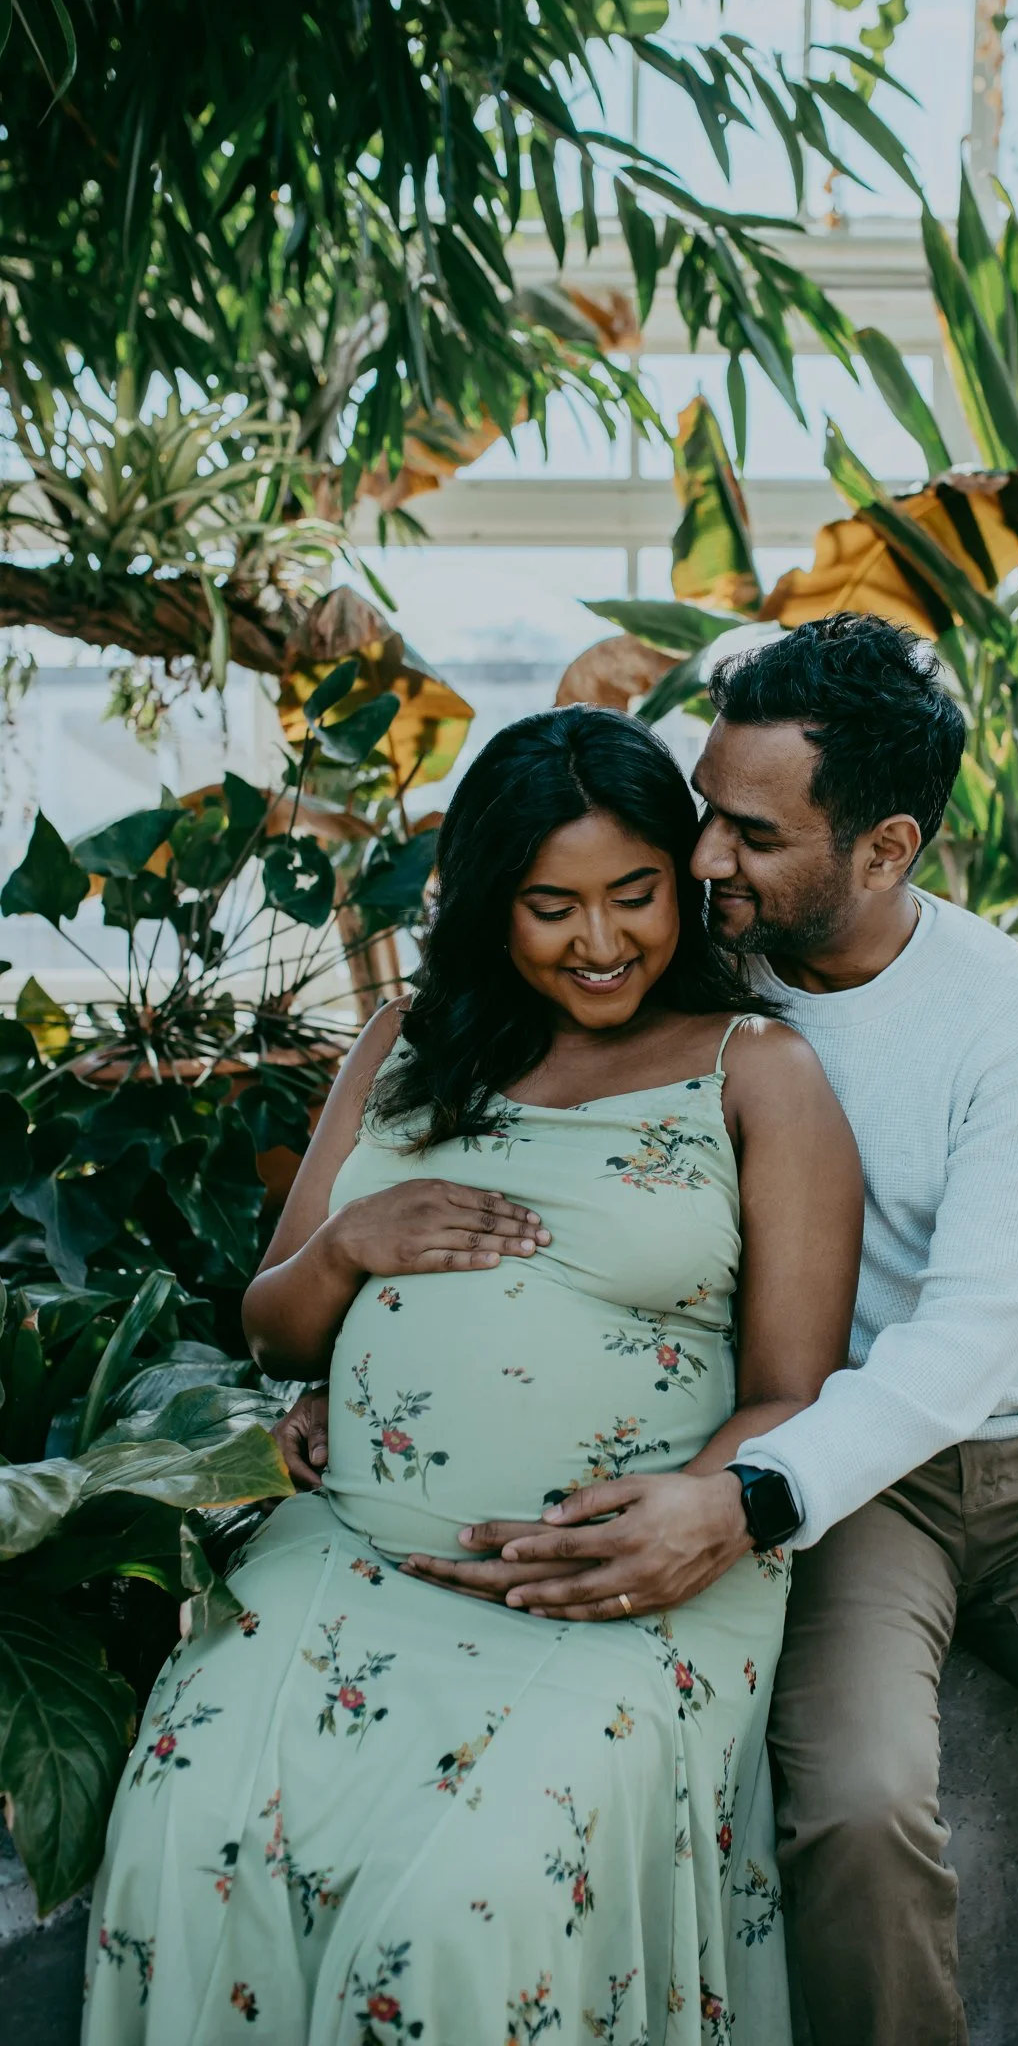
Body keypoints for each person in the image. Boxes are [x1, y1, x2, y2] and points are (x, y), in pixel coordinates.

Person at [281, 613, 1018, 2046]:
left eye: (749, 832)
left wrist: (740, 1500)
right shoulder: (683, 965)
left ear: (885, 849)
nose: (703, 859)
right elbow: (533, 1145)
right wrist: (365, 1357)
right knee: (855, 1810)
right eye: (705, 813)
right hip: (834, 1479)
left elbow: (969, 1342)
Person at [85, 705, 862, 2046]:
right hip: (351, 1551)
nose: (603, 941)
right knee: (187, 1824)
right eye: (551, 906)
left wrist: (681, 1522)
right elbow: (276, 1327)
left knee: (458, 1911)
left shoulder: (759, 1074)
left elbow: (794, 1389)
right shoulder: (404, 1044)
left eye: (636, 896)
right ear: (491, 905)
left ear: (683, 882)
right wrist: (350, 1249)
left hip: (623, 1579)